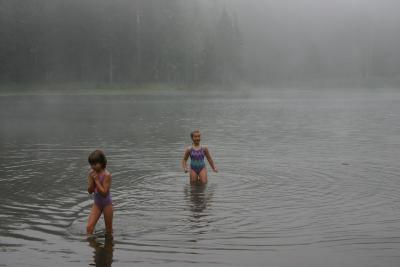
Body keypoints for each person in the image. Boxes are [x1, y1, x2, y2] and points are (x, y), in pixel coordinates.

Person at [86, 150, 113, 238]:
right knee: (89, 228)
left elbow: (104, 193)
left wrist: (97, 180)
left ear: (101, 163)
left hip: (107, 204)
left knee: (109, 230)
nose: (93, 166)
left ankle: (109, 249)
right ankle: (95, 248)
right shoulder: (91, 173)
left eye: (95, 164)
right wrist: (92, 181)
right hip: (97, 204)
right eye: (91, 164)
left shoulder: (107, 175)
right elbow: (90, 191)